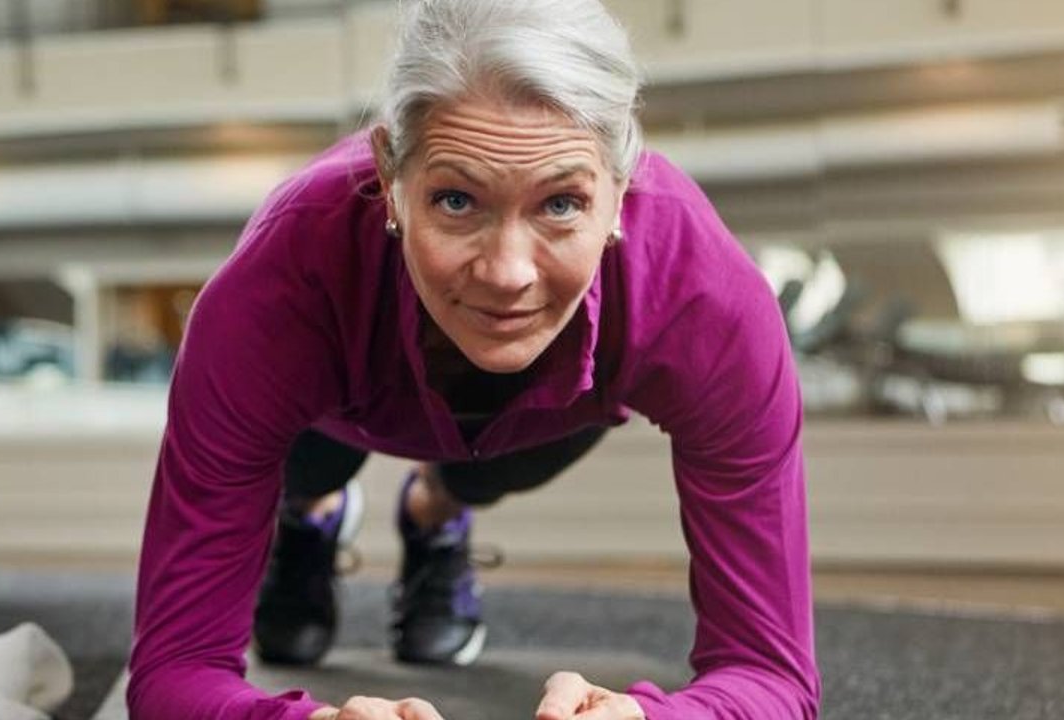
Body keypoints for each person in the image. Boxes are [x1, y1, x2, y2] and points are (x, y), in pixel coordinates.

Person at [126, 0, 821, 717]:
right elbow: (172, 672)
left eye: (560, 205)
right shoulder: (277, 288)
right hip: (332, 413)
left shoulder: (707, 301)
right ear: (391, 182)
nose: (506, 273)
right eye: (457, 200)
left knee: (476, 473)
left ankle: (435, 511)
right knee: (310, 471)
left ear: (621, 193)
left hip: (552, 415)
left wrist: (655, 719)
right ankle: (313, 513)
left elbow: (774, 676)